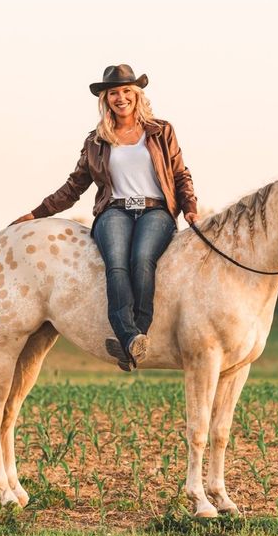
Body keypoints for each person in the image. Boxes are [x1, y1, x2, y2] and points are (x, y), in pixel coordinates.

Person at [12, 64, 198, 369]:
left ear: (136, 95)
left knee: (141, 260)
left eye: (126, 91)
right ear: (106, 99)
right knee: (117, 263)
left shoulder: (161, 131)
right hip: (115, 210)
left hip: (156, 210)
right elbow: (74, 187)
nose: (120, 97)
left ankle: (134, 337)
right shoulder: (96, 140)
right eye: (114, 93)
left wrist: (189, 206)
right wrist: (36, 213)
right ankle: (131, 339)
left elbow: (180, 174)